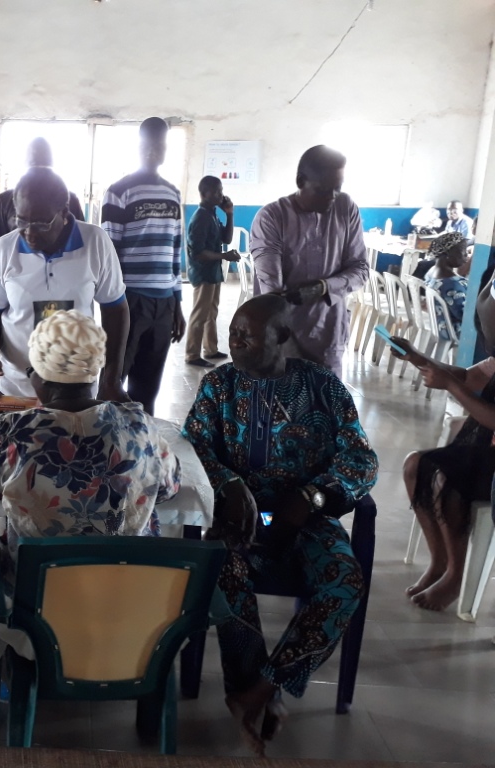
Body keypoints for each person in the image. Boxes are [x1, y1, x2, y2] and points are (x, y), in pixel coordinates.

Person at [182, 294, 377, 756]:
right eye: (232, 333)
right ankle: (252, 690)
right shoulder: (219, 386)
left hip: (306, 520)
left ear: (284, 337)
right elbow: (192, 449)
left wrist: (313, 496)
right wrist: (229, 485)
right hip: (239, 521)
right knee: (224, 571)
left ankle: (258, 692)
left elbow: (361, 459)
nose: (234, 343)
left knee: (346, 582)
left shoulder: (323, 388)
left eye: (246, 336)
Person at [0, 310, 179, 577]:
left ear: (39, 376)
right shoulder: (138, 424)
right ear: (94, 372)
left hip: (40, 590)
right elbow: (168, 488)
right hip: (128, 587)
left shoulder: (15, 430)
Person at [0, 167, 129, 400]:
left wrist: (111, 378)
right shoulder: (3, 250)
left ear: (64, 212)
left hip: (76, 391)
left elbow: (115, 310)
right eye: (21, 220)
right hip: (18, 389)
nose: (29, 232)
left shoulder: (95, 242)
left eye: (40, 223)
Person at [394, 335, 495, 611]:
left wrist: (450, 385)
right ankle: (440, 563)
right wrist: (416, 357)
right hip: (481, 449)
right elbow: (466, 376)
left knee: (447, 480)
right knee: (414, 464)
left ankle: (456, 575)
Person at [250, 145, 369, 375]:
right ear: (300, 180)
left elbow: (360, 269)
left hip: (329, 334)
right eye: (323, 190)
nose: (332, 197)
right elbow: (271, 296)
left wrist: (323, 287)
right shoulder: (272, 218)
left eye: (338, 188)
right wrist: (291, 352)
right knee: (283, 406)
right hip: (283, 336)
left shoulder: (346, 208)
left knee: (324, 406)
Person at [101, 117, 186, 415]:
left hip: (163, 305)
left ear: (165, 150)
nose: (153, 151)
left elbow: (176, 253)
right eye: (147, 144)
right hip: (129, 301)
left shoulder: (173, 194)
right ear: (138, 147)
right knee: (113, 381)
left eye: (159, 145)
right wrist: (113, 305)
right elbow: (109, 255)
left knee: (148, 388)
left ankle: (142, 445)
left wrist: (177, 304)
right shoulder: (118, 191)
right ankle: (108, 445)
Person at [186, 176, 241, 368]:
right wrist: (224, 257)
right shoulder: (201, 217)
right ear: (204, 193)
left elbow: (226, 238)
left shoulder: (213, 214)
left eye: (221, 190)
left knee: (211, 313)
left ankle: (210, 349)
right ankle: (192, 354)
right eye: (216, 191)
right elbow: (199, 252)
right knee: (200, 314)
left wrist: (230, 214)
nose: (220, 195)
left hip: (213, 272)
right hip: (203, 273)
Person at [0, 137, 86, 238]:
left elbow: (80, 237)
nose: (40, 171)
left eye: (45, 166)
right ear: (25, 164)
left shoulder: (70, 200)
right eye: (22, 221)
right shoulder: (5, 201)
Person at [423, 232, 470, 340]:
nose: (466, 255)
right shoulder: (453, 283)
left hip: (439, 327)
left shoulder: (431, 272)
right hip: (455, 332)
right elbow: (464, 316)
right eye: (463, 251)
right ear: (449, 252)